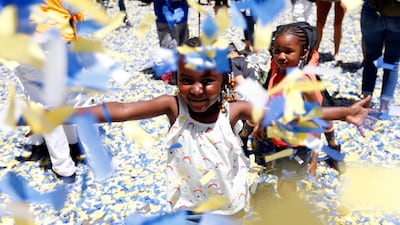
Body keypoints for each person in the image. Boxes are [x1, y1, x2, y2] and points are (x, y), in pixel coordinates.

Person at [69, 36, 372, 220]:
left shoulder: (235, 110)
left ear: (225, 83)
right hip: (187, 203)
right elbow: (120, 110)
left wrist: (345, 111)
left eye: (207, 81)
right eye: (187, 81)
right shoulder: (173, 107)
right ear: (176, 82)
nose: (197, 90)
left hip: (231, 204)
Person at [259, 22, 348, 196]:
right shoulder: (277, 74)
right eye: (277, 51)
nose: (281, 56)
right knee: (284, 177)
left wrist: (313, 160)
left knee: (288, 182)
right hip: (281, 140)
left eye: (288, 51)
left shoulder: (304, 82)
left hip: (297, 145)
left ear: (303, 54)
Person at [360, 0, 400, 114]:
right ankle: (383, 108)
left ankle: (366, 102)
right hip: (398, 16)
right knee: (393, 62)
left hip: (373, 13)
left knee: (371, 57)